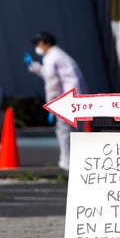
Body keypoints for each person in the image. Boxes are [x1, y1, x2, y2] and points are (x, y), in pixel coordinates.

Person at [25, 31, 87, 171]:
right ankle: (78, 161)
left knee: (63, 130)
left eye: (38, 43)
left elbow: (52, 82)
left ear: (46, 43)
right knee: (76, 130)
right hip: (77, 96)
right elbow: (50, 74)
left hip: (67, 98)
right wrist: (34, 66)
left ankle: (66, 162)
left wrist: (53, 104)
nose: (37, 46)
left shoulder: (51, 57)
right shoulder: (60, 55)